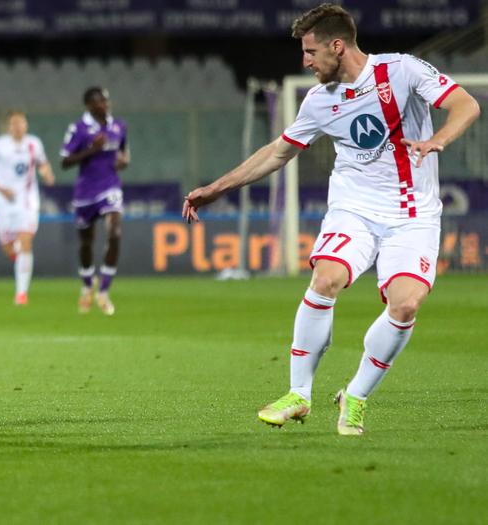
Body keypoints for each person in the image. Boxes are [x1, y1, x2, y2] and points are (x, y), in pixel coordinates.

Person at [182, 3, 480, 436]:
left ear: (336, 47)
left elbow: (465, 105)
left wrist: (438, 140)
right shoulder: (319, 101)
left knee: (406, 304)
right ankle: (298, 394)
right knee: (326, 279)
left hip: (414, 215)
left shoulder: (402, 70)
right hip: (354, 209)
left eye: (310, 51)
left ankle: (355, 396)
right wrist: (216, 188)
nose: (305, 61)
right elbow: (277, 153)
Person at [60, 86, 129, 315]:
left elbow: (123, 152)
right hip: (85, 192)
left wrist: (123, 161)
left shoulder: (119, 125)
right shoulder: (78, 129)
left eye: (106, 100)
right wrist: (92, 149)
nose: (105, 104)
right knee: (86, 242)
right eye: (100, 101)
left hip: (110, 186)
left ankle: (104, 291)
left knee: (115, 233)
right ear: (89, 105)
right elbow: (65, 162)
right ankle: (88, 285)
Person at [0, 110, 54, 305]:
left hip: (27, 200)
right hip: (4, 202)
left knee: (26, 241)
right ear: (8, 126)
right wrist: (1, 189)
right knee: (9, 248)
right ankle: (20, 258)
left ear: (26, 125)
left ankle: (21, 294)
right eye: (14, 123)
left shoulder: (34, 144)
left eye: (22, 123)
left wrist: (46, 174)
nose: (18, 127)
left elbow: (43, 164)